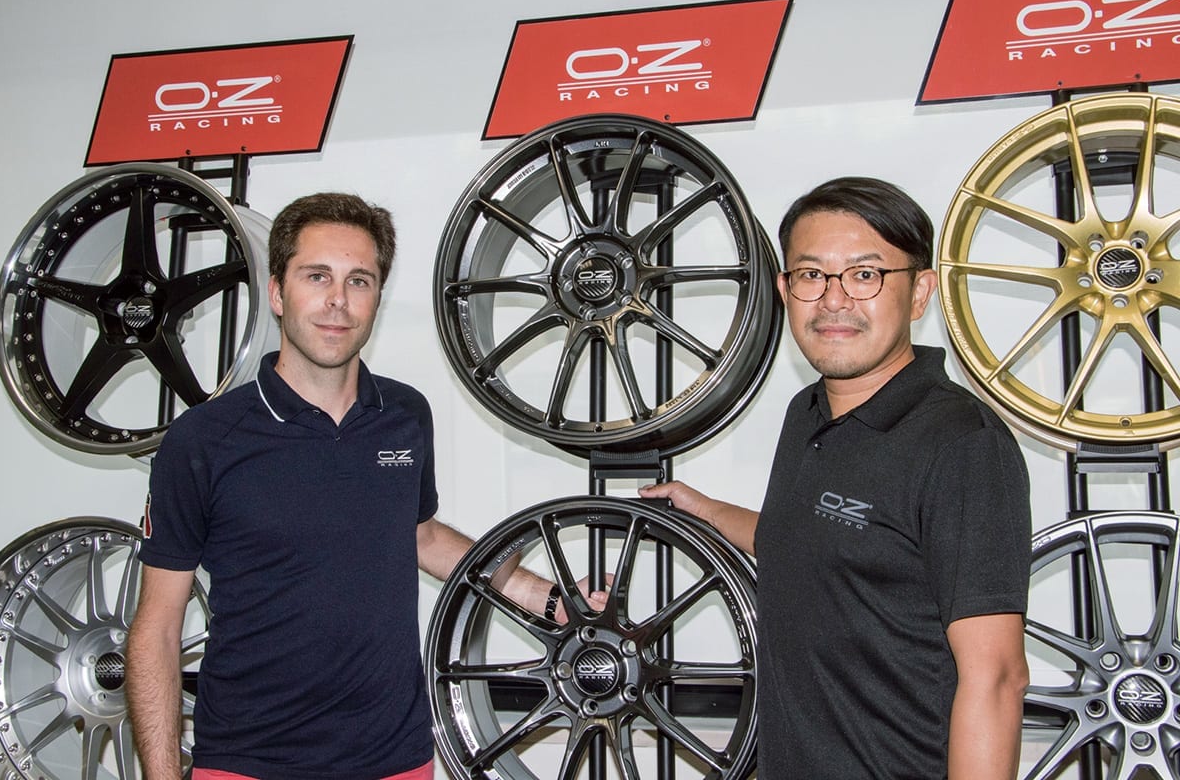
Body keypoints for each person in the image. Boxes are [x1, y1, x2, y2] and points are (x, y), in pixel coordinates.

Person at [126, 192, 603, 780]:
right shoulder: (203, 439)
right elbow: (157, 628)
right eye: (316, 276)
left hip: (394, 759)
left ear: (377, 297)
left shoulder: (405, 415)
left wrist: (544, 595)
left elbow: (420, 536)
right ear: (276, 293)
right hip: (248, 761)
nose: (338, 300)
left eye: (359, 281)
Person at [641, 177, 1031, 780]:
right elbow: (820, 541)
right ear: (785, 290)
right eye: (811, 275)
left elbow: (997, 677)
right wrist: (708, 510)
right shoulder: (807, 414)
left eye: (865, 275)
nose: (833, 300)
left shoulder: (963, 444)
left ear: (920, 292)